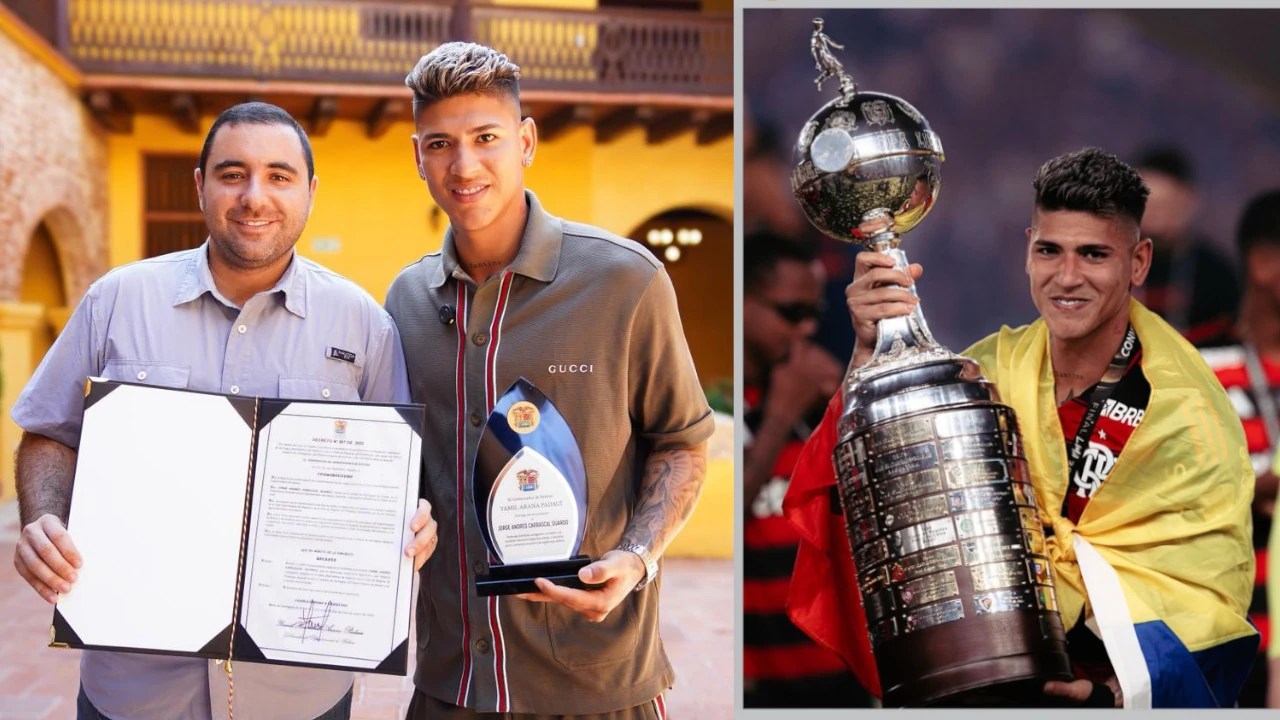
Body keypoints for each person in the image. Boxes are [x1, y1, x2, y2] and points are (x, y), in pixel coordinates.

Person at [10, 102, 439, 720]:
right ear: (201, 186)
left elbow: (392, 478)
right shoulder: (117, 302)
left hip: (301, 693)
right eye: (232, 174)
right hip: (134, 689)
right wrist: (42, 520)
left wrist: (408, 520)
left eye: (280, 176)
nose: (254, 196)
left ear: (311, 192)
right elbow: (50, 433)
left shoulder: (364, 325)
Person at [785, 147, 1257, 707]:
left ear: (1138, 262)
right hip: (981, 689)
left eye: (1094, 254)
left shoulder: (1187, 409)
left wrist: (1111, 693)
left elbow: (1206, 595)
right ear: (1028, 251)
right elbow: (868, 501)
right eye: (1050, 251)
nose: (1068, 277)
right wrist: (868, 355)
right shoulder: (981, 377)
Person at [384, 42, 714, 718]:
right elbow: (404, 472)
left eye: (486, 139)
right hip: (450, 689)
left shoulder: (626, 280)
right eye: (441, 144)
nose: (464, 164)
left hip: (597, 686)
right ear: (418, 155)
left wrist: (636, 557)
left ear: (526, 141)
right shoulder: (407, 300)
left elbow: (682, 443)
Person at [742, 230, 869, 707]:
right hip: (762, 690)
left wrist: (842, 407)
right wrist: (779, 414)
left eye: (813, 314)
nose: (806, 331)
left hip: (841, 681)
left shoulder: (818, 400)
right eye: (791, 313)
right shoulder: (720, 407)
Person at [1199, 190, 1280, 708]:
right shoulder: (1195, 368)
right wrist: (1256, 487)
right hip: (1232, 640)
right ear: (1263, 263)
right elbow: (1171, 495)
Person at [1131, 146, 1239, 346]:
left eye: (1165, 205)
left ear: (1189, 201)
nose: (1155, 216)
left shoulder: (1218, 276)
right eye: (1147, 204)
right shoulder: (1113, 264)